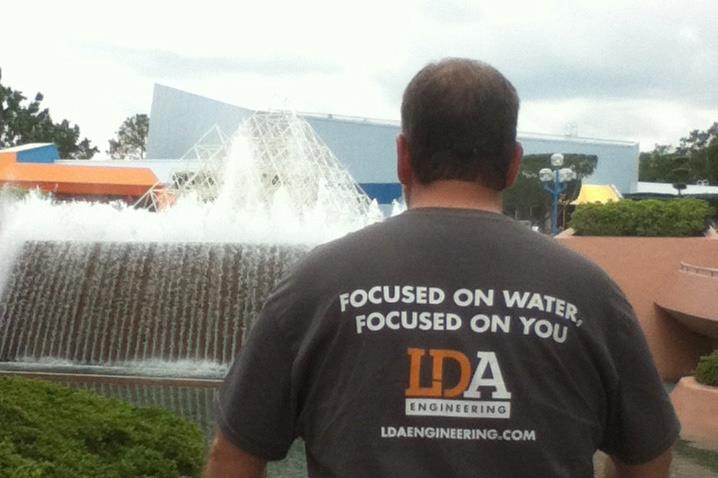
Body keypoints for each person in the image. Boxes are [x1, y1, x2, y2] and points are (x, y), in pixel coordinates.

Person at [203, 58, 679, 478]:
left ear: (403, 157)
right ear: (513, 164)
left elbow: (233, 457)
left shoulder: (315, 285)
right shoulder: (589, 293)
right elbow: (649, 457)